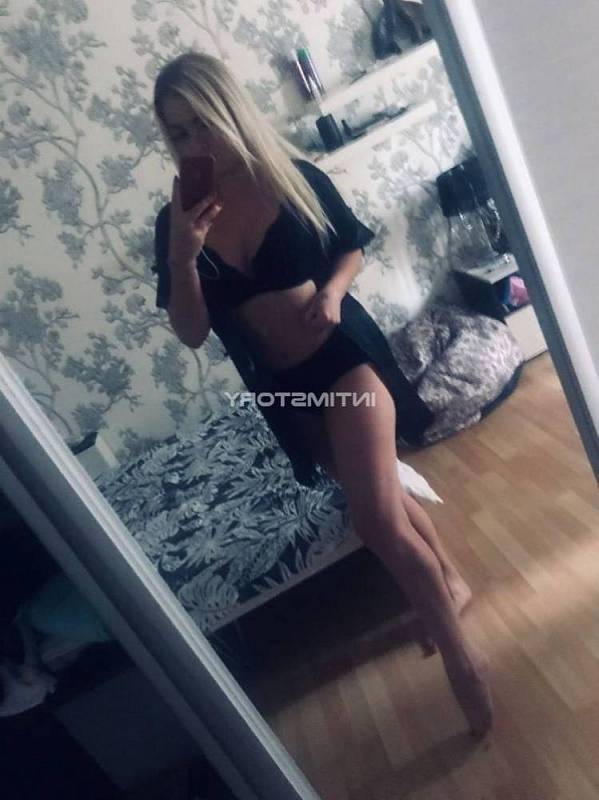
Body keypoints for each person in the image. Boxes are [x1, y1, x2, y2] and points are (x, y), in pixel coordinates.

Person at [151, 52, 493, 737]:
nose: (192, 143)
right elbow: (191, 332)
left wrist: (334, 293)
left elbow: (350, 248)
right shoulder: (178, 220)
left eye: (200, 124)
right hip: (287, 391)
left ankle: (462, 660)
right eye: (177, 132)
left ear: (227, 110)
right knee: (384, 497)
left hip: (342, 361)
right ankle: (450, 581)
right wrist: (184, 254)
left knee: (374, 522)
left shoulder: (289, 177)